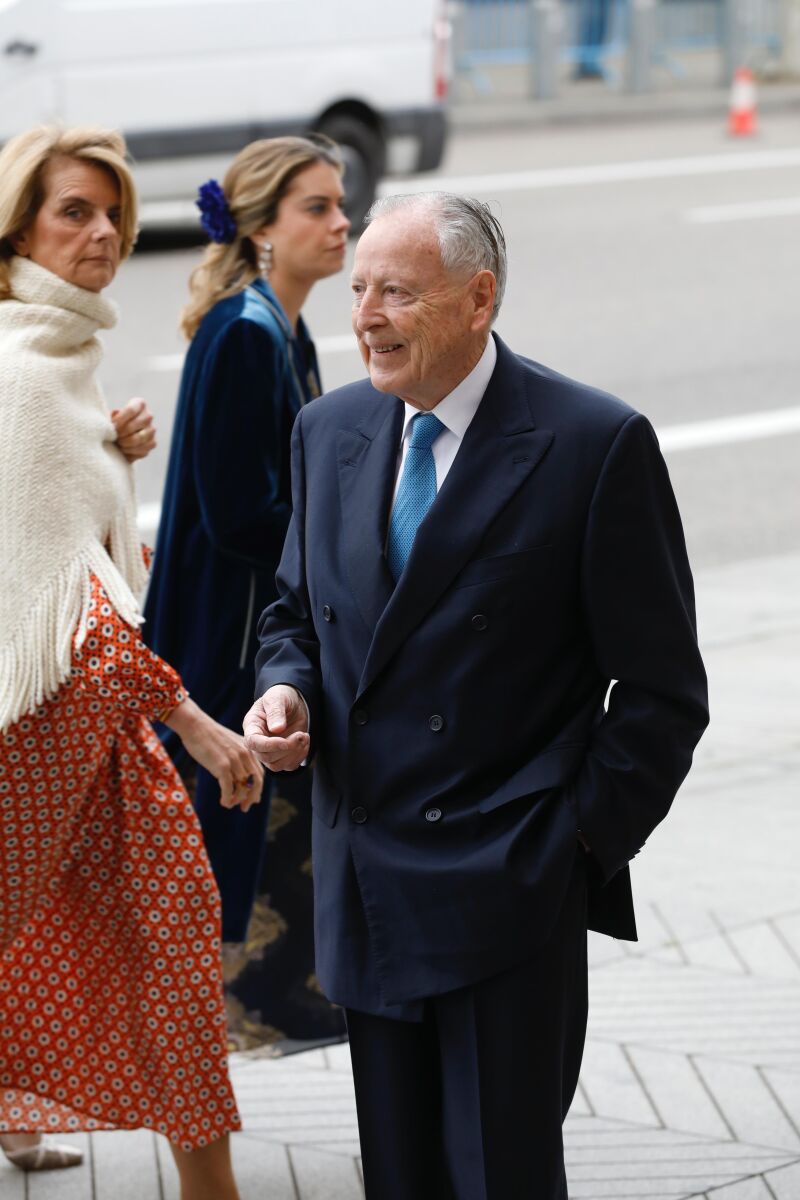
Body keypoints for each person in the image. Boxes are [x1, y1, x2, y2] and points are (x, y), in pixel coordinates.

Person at [244, 192, 710, 1198]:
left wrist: (571, 843)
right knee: (401, 1179)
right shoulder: (327, 431)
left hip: (504, 892)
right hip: (364, 878)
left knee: (499, 1177)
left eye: (396, 293)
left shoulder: (590, 442)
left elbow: (663, 690)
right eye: (358, 287)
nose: (363, 313)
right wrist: (286, 695)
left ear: (476, 299)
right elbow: (292, 612)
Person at [0, 125, 264, 1199]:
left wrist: (108, 456)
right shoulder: (27, 375)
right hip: (39, 732)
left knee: (167, 937)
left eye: (112, 212)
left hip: (85, 724)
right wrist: (194, 721)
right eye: (74, 211)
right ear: (17, 227)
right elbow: (67, 598)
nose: (104, 232)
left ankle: (208, 1188)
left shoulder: (59, 360)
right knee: (131, 942)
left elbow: (68, 550)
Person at [143, 137, 350, 1045]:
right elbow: (239, 514)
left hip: (249, 626)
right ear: (264, 226)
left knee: (271, 818)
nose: (343, 223)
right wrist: (343, 556)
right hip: (225, 636)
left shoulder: (278, 322)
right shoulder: (244, 332)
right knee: (226, 827)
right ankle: (229, 1005)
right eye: (318, 207)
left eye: (343, 204)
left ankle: (270, 984)